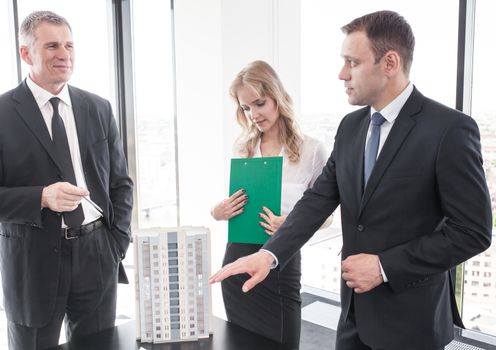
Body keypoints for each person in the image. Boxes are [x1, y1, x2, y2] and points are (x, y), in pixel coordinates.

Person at [210, 11, 493, 350]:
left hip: (411, 321)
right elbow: (316, 202)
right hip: (353, 319)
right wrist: (269, 256)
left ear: (389, 63)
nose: (342, 73)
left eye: (352, 62)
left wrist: (384, 266)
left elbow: (472, 232)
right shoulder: (350, 127)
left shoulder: (449, 129)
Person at [0, 11, 133, 350]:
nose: (65, 54)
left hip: (96, 254)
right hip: (32, 262)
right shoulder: (2, 113)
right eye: (52, 46)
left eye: (69, 45)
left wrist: (115, 243)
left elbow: (120, 183)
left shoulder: (98, 108)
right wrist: (41, 197)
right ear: (27, 54)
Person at [211, 60, 329, 348]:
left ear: (277, 96)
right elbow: (226, 208)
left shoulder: (312, 150)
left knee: (283, 342)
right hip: (238, 258)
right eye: (246, 108)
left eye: (259, 103)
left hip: (281, 261)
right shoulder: (244, 148)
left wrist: (289, 224)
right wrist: (219, 211)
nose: (253, 114)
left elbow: (325, 215)